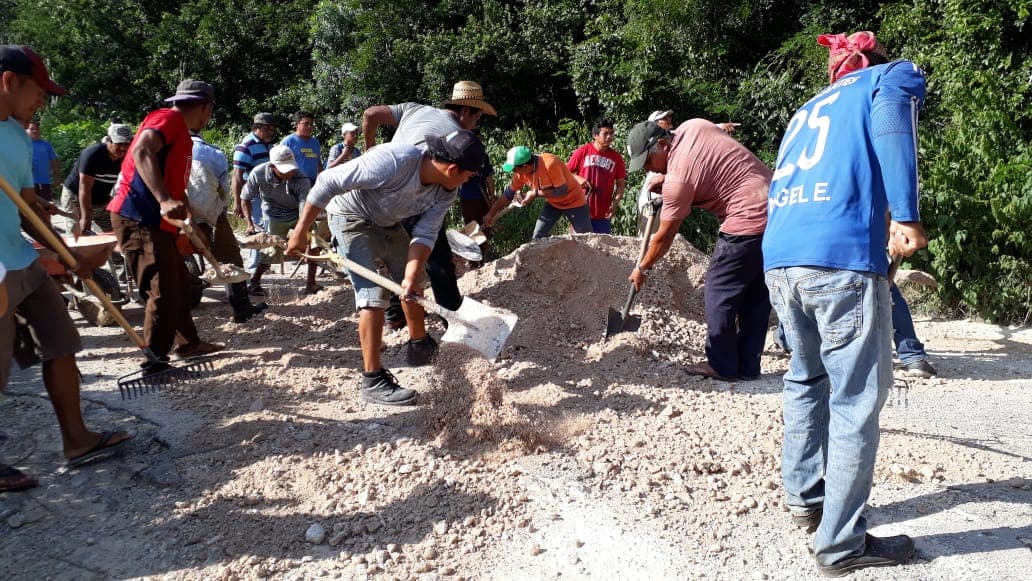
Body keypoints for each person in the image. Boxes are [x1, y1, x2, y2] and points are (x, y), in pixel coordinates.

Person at [762, 31, 927, 576]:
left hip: (782, 256)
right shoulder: (889, 77)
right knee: (856, 399)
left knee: (805, 379)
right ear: (870, 63)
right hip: (840, 260)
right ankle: (840, 544)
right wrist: (904, 213)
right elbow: (891, 127)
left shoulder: (804, 110)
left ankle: (805, 500)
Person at [1, 45, 133, 491]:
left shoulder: (19, 138)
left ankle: (77, 440)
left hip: (20, 258)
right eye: (39, 91)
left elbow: (25, 210)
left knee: (62, 340)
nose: (42, 101)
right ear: (9, 82)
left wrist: (63, 251)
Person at [285, 129, 485, 406]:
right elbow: (327, 181)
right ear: (452, 169)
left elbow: (425, 235)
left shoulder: (445, 192)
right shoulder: (395, 161)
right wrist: (300, 230)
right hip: (350, 217)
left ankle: (419, 345)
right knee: (374, 295)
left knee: (415, 282)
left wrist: (410, 276)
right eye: (468, 174)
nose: (467, 180)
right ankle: (372, 379)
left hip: (388, 222)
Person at [625, 118, 772, 382]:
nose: (647, 168)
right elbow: (705, 159)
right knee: (755, 294)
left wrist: (642, 267)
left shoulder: (677, 181)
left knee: (718, 292)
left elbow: (664, 238)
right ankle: (748, 366)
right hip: (776, 208)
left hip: (745, 217)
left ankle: (722, 365)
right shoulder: (694, 125)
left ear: (661, 143)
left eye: (648, 161)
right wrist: (667, 174)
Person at [107, 79, 225, 368]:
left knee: (179, 283)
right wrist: (162, 200)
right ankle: (154, 360)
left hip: (159, 220)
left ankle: (188, 344)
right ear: (205, 107)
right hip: (139, 216)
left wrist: (190, 222)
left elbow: (177, 188)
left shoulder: (181, 134)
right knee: (161, 290)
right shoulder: (168, 118)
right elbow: (142, 152)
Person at [361, 80, 497, 326]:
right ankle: (453, 320)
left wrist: (369, 150)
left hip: (378, 193)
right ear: (466, 110)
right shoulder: (458, 137)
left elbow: (370, 114)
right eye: (477, 118)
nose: (475, 124)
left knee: (397, 254)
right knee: (438, 259)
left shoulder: (414, 109)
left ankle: (397, 315)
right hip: (416, 195)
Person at [187, 130, 267, 322]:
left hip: (170, 215)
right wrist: (220, 210)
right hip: (207, 215)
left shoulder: (160, 148)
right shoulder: (210, 152)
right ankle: (241, 309)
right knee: (230, 259)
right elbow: (223, 189)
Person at [241, 145, 316, 295]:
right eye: (284, 170)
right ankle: (255, 283)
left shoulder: (301, 178)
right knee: (270, 251)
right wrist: (249, 223)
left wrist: (302, 235)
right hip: (273, 214)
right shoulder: (259, 174)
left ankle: (311, 284)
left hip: (297, 213)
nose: (289, 172)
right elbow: (245, 198)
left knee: (314, 244)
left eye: (290, 168)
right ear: (272, 166)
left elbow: (304, 210)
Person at [483, 146, 592, 238]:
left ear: (525, 166)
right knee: (538, 236)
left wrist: (534, 194)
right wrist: (490, 214)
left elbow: (562, 190)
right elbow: (508, 194)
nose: (513, 172)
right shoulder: (520, 174)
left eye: (514, 169)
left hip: (574, 202)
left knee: (586, 237)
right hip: (553, 204)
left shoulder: (550, 164)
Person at [56, 123, 132, 234]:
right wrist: (86, 217)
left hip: (100, 199)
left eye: (127, 144)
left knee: (112, 233)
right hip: (76, 196)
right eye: (119, 143)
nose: (123, 148)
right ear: (109, 140)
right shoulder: (93, 154)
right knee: (77, 233)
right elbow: (84, 188)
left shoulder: (128, 156)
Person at [232, 112, 276, 273]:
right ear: (257, 128)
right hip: (253, 197)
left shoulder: (269, 145)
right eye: (268, 128)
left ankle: (261, 267)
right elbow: (237, 176)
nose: (271, 132)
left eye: (272, 128)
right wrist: (237, 202)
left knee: (267, 230)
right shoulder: (246, 146)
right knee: (260, 233)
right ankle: (253, 270)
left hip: (267, 195)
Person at [567, 117, 627, 234]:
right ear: (595, 135)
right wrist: (578, 178)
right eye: (605, 133)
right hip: (581, 210)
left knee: (600, 249)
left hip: (603, 215)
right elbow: (565, 172)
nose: (609, 136)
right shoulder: (583, 151)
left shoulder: (616, 158)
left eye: (611, 133)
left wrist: (615, 204)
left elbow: (621, 185)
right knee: (578, 247)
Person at [280, 111, 321, 185]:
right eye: (306, 124)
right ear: (297, 125)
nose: (309, 126)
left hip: (313, 183)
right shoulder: (288, 141)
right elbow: (280, 164)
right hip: (294, 183)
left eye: (311, 124)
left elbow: (318, 162)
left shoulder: (315, 142)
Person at [27, 120, 60, 202]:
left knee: (46, 209)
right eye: (32, 129)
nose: (35, 131)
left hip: (44, 182)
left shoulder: (46, 144)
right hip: (27, 183)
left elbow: (54, 160)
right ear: (25, 130)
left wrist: (56, 178)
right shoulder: (21, 143)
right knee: (29, 208)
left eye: (37, 129)